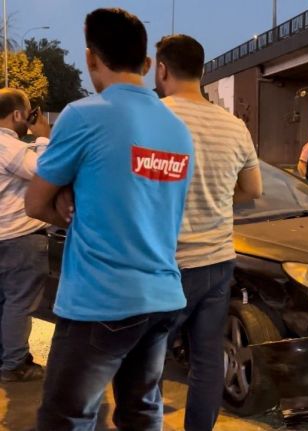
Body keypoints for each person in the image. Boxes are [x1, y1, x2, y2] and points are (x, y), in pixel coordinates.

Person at [26, 8, 194, 430]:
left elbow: (34, 203)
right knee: (141, 412)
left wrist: (64, 202)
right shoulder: (176, 129)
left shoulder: (84, 115)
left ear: (90, 58)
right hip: (161, 297)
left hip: (101, 300)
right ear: (147, 64)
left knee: (66, 418)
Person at [155, 34, 262, 431]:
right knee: (206, 359)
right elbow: (252, 189)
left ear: (162, 69)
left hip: (168, 264)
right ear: (202, 72)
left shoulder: (155, 118)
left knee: (147, 360)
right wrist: (215, 200)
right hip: (218, 261)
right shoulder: (233, 126)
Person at [0, 89, 51, 382]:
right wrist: (43, 136)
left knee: (5, 304)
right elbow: (45, 171)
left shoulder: (12, 147)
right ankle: (15, 364)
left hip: (3, 238)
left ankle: (7, 356)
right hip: (17, 239)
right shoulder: (9, 147)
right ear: (19, 114)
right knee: (19, 303)